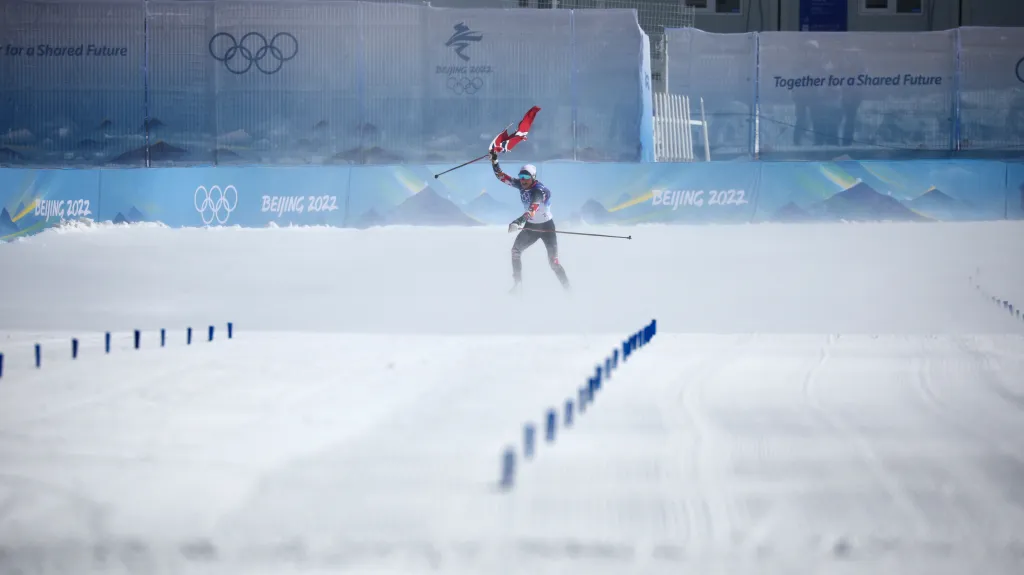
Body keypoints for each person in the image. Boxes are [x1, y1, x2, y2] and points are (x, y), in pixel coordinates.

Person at [489, 149, 570, 293]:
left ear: (533, 177)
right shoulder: (521, 185)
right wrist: (494, 161)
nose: (523, 179)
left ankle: (568, 290)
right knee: (515, 251)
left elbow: (532, 209)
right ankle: (518, 284)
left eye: (526, 176)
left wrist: (518, 221)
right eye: (521, 176)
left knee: (554, 263)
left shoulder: (540, 191)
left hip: (547, 228)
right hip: (531, 227)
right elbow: (501, 177)